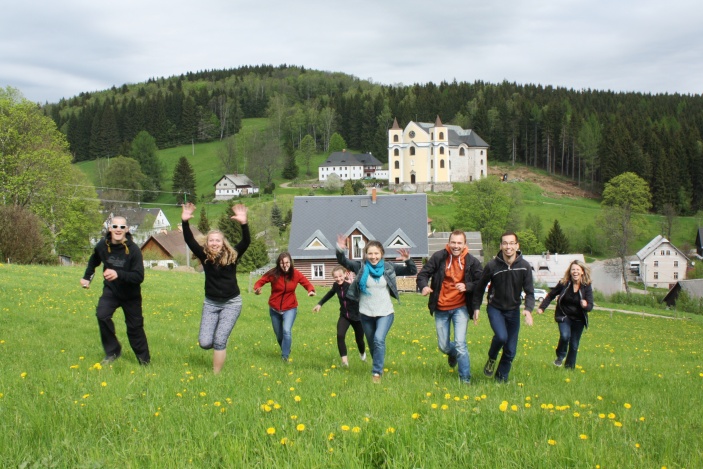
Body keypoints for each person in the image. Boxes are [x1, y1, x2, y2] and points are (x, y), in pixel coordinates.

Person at [335, 234, 417, 383]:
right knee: (372, 344)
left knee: (379, 340)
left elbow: (412, 271)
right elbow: (342, 261)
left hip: (385, 313)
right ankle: (378, 365)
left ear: (382, 254)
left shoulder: (388, 267)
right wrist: (340, 249)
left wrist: (408, 260)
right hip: (366, 314)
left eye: (376, 253)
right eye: (370, 253)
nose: (373, 257)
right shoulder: (360, 267)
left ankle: (376, 373)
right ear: (366, 254)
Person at [181, 202, 249, 374]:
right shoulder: (204, 256)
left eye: (217, 240)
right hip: (211, 304)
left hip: (231, 303)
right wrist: (185, 222)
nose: (214, 243)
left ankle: (216, 375)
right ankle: (218, 342)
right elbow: (189, 240)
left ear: (223, 242)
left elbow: (246, 241)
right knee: (205, 343)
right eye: (211, 240)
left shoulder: (232, 255)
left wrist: (244, 223)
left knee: (219, 340)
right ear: (207, 243)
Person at [80, 216, 151, 365]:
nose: (118, 230)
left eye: (122, 227)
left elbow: (139, 276)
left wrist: (118, 274)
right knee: (102, 315)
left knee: (135, 328)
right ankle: (113, 351)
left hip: (131, 295)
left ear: (127, 229)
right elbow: (94, 260)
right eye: (115, 226)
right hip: (111, 292)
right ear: (110, 228)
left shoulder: (134, 250)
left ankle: (144, 361)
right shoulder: (102, 246)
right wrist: (87, 277)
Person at [417, 230, 483, 385]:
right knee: (443, 346)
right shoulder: (439, 257)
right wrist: (424, 287)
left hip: (460, 307)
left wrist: (467, 286)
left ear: (464, 244)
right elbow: (423, 274)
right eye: (453, 242)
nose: (456, 246)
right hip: (441, 308)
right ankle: (452, 353)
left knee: (461, 343)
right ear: (448, 243)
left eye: (459, 243)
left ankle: (465, 379)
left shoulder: (472, 262)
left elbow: (481, 282)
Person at [472, 231, 535, 382]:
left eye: (511, 243)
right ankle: (492, 358)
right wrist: (476, 307)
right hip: (495, 308)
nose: (508, 247)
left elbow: (530, 292)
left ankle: (501, 378)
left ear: (517, 245)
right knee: (501, 337)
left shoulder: (524, 267)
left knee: (511, 350)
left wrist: (528, 309)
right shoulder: (492, 266)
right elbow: (480, 287)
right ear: (500, 246)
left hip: (513, 311)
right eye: (505, 243)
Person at [254, 252, 316, 362]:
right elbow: (260, 281)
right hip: (274, 308)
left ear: (290, 262)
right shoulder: (273, 273)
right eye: (282, 263)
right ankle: (286, 348)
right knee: (279, 336)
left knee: (287, 331)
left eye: (287, 262)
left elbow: (306, 283)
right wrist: (257, 289)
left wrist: (310, 290)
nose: (285, 265)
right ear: (279, 264)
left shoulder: (295, 274)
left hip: (290, 308)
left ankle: (285, 357)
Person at [537, 260, 594, 369]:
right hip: (564, 316)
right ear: (570, 271)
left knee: (574, 345)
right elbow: (551, 295)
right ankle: (560, 356)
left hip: (579, 319)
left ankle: (569, 368)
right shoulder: (564, 283)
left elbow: (590, 306)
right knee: (565, 336)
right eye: (573, 269)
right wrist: (542, 308)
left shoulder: (586, 286)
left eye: (578, 270)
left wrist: (586, 305)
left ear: (582, 272)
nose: (575, 272)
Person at [312, 266, 366, 367]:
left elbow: (362, 296)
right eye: (336, 277)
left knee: (360, 340)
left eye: (340, 276)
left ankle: (363, 354)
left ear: (345, 274)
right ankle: (344, 362)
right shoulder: (336, 286)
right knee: (340, 335)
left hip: (357, 317)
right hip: (344, 315)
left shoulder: (352, 285)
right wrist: (320, 304)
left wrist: (353, 286)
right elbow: (330, 293)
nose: (338, 279)